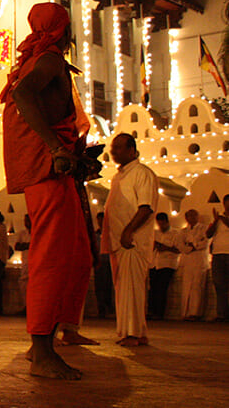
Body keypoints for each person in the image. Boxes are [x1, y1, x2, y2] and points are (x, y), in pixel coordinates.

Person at [0, 2, 93, 380]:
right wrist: (55, 147)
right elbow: (23, 96)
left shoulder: (36, 57)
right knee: (52, 255)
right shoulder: (50, 58)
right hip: (47, 168)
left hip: (51, 168)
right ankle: (42, 350)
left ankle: (51, 336)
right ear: (61, 29)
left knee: (74, 252)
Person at [103, 133, 158, 347]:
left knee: (132, 289)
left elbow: (145, 207)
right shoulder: (120, 176)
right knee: (124, 289)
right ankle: (133, 332)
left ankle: (133, 333)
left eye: (117, 148)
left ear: (131, 150)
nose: (113, 152)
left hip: (132, 241)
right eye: (112, 148)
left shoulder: (142, 174)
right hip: (119, 242)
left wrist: (128, 232)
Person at [177, 209, 209, 321]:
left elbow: (205, 243)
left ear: (197, 216)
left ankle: (195, 313)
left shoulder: (204, 228)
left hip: (199, 260)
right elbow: (180, 245)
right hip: (187, 260)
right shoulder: (183, 231)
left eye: (193, 215)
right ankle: (185, 313)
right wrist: (189, 247)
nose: (191, 218)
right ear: (186, 218)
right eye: (189, 216)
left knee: (197, 286)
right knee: (186, 287)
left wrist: (193, 245)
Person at [148, 212, 181, 320]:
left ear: (167, 222)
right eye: (159, 224)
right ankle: (151, 311)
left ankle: (159, 313)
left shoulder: (175, 233)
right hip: (154, 263)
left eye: (163, 224)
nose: (161, 226)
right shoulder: (155, 233)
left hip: (167, 264)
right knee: (152, 288)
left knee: (162, 288)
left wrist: (165, 248)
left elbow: (179, 249)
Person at [208, 197, 229, 321]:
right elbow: (208, 234)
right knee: (219, 285)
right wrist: (215, 221)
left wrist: (221, 218)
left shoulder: (222, 218)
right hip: (217, 254)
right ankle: (222, 314)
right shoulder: (218, 219)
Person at [94, 211, 114, 318]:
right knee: (99, 286)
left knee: (107, 286)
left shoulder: (110, 234)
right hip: (99, 262)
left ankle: (108, 308)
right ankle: (101, 309)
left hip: (108, 261)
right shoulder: (95, 234)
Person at [14, 214, 32, 309]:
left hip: (35, 263)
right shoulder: (22, 233)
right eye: (25, 221)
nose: (26, 223)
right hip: (25, 262)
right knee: (23, 283)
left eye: (28, 221)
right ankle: (25, 306)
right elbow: (17, 246)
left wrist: (26, 245)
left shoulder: (38, 232)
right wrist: (30, 245)